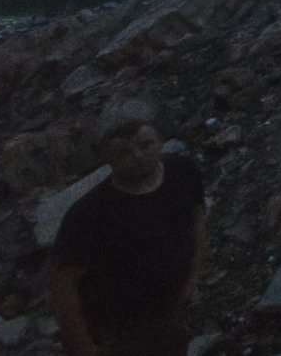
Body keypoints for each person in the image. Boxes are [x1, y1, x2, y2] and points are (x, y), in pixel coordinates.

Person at [45, 99, 206, 356]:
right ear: (108, 159)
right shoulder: (89, 215)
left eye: (146, 145)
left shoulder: (183, 172)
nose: (138, 157)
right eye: (124, 152)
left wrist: (192, 278)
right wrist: (86, 348)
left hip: (169, 309)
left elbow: (197, 219)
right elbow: (64, 286)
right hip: (119, 326)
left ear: (160, 142)